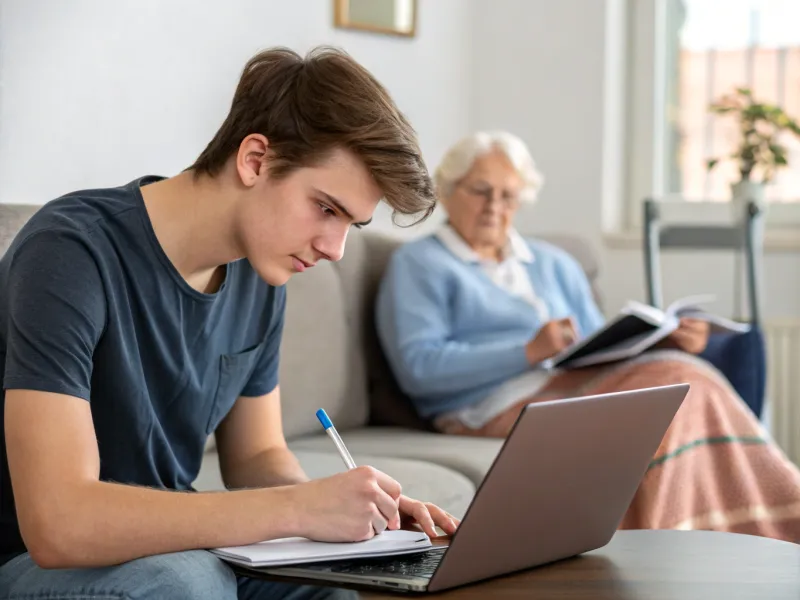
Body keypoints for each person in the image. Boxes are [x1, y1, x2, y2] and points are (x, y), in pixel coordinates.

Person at [0, 46, 460, 600]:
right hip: (33, 558)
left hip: (170, 550)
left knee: (334, 587)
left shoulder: (260, 275)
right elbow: (60, 523)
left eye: (351, 225)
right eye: (326, 208)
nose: (334, 249)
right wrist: (294, 508)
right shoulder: (71, 252)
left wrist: (350, 519)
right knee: (184, 586)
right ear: (255, 159)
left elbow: (257, 457)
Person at [375, 130, 800, 542]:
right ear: (447, 191)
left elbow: (599, 347)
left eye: (508, 196)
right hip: (487, 407)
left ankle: (773, 528)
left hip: (570, 387)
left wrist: (664, 342)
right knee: (672, 388)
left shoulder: (554, 262)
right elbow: (420, 369)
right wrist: (527, 351)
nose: (494, 206)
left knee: (684, 376)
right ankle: (699, 546)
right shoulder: (420, 264)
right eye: (480, 191)